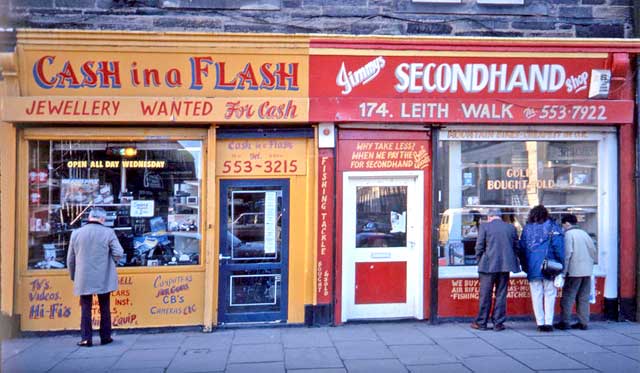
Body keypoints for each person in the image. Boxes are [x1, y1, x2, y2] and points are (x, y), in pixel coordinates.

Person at [67, 207, 124, 347]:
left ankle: (86, 339)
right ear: (102, 219)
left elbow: (70, 259)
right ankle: (105, 337)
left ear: (90, 217)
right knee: (105, 306)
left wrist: (74, 275)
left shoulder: (76, 233)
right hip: (103, 275)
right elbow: (119, 252)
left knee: (86, 307)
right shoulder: (108, 232)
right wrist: (111, 261)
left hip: (83, 276)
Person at [471, 208, 520, 331]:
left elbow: (479, 247)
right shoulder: (511, 228)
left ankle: (481, 322)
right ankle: (498, 323)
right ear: (500, 217)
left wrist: (479, 261)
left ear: (489, 217)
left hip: (487, 266)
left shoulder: (484, 227)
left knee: (485, 295)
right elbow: (516, 247)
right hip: (505, 267)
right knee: (501, 294)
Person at [518, 205, 564, 332]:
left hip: (533, 266)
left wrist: (525, 266)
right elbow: (559, 248)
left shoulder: (527, 229)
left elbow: (521, 249)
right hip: (550, 265)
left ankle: (540, 323)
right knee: (550, 293)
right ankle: (548, 323)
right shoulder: (553, 227)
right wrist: (561, 265)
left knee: (536, 294)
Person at [554, 214, 597, 331]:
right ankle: (583, 322)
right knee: (583, 298)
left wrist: (564, 272)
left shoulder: (568, 235)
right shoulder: (584, 233)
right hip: (587, 271)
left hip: (574, 271)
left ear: (567, 223)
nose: (562, 227)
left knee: (568, 297)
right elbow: (593, 251)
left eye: (562, 224)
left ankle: (565, 321)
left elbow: (567, 254)